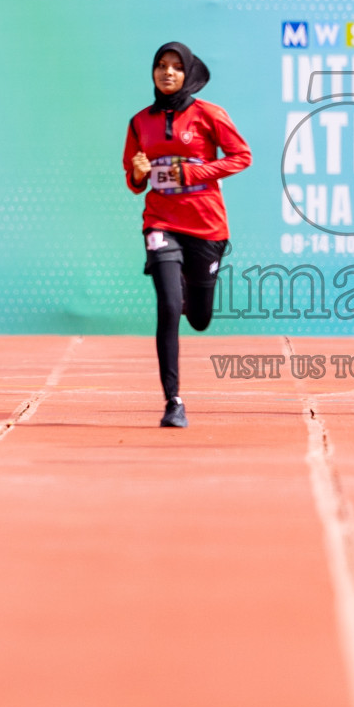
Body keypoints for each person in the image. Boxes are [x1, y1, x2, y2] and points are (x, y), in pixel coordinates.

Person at [123, 42, 251, 428]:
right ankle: (173, 401)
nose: (167, 73)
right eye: (160, 66)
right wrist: (139, 173)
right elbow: (133, 182)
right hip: (160, 221)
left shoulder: (208, 114)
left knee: (198, 317)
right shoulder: (139, 121)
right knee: (166, 309)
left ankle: (186, 290)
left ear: (189, 73)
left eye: (176, 67)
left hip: (206, 227)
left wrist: (192, 173)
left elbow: (241, 156)